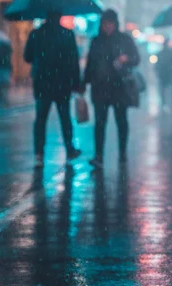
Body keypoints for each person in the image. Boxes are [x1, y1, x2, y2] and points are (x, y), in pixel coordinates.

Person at [83, 9, 140, 167]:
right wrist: (83, 82)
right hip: (100, 87)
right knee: (100, 123)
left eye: (110, 23)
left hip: (119, 87)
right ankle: (99, 155)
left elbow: (136, 58)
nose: (107, 27)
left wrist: (126, 59)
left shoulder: (124, 40)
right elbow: (91, 63)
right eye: (105, 24)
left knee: (121, 121)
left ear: (115, 24)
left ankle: (122, 153)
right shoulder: (96, 41)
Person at [23, 14, 82, 166]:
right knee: (65, 118)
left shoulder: (36, 34)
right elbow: (73, 60)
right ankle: (69, 150)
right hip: (62, 83)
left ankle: (39, 153)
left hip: (43, 83)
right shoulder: (67, 34)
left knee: (41, 119)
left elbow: (27, 57)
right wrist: (76, 82)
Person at [156, 39, 172, 110]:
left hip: (165, 73)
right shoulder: (170, 52)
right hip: (166, 73)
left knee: (164, 89)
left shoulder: (162, 53)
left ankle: (165, 103)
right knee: (167, 88)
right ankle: (167, 102)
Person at [0, 40, 12, 106]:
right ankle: (4, 98)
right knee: (4, 85)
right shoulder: (7, 50)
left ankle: (0, 98)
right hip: (4, 69)